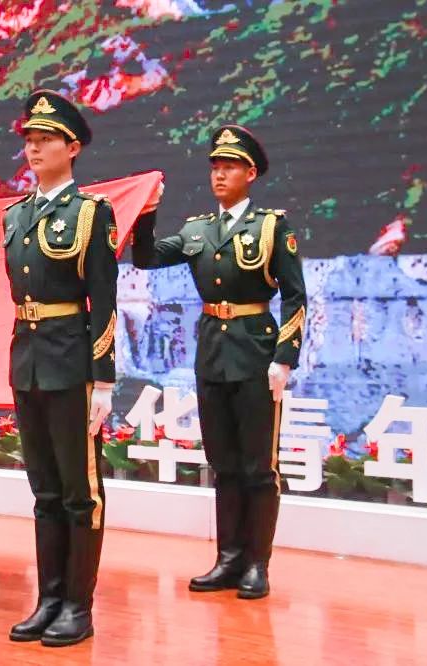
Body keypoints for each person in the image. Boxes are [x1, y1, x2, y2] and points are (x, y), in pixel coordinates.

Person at [3, 90, 159, 647]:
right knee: (44, 490)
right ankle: (48, 599)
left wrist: (104, 379)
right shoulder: (14, 215)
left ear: (72, 148)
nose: (34, 148)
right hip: (28, 361)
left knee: (79, 492)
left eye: (45, 139)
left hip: (72, 363)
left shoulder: (91, 214)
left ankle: (77, 605)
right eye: (29, 139)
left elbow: (103, 299)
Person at [132, 124, 307, 599]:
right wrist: (146, 213)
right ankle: (228, 558)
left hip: (255, 352)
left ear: (250, 173)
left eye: (230, 167)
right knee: (224, 463)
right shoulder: (198, 230)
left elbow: (295, 295)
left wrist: (284, 358)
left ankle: (256, 563)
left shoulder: (270, 227)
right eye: (215, 167)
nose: (220, 175)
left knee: (258, 466)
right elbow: (146, 258)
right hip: (212, 352)